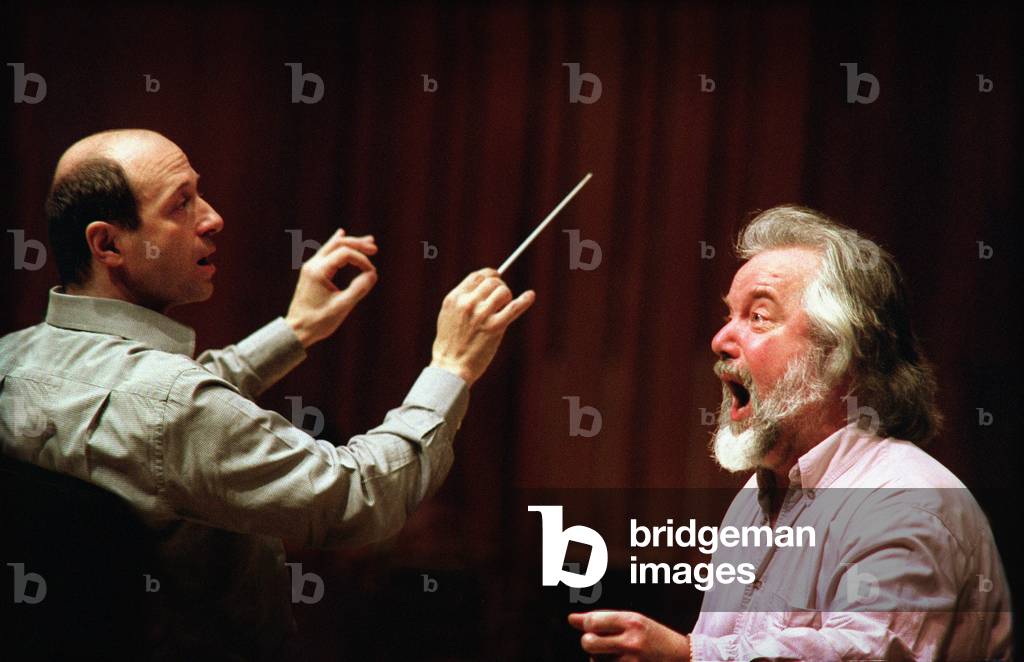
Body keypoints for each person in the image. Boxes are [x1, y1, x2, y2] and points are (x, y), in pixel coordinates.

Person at [0, 129, 535, 658]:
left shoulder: (12, 360)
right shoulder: (174, 405)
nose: (212, 219)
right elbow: (356, 498)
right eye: (181, 205)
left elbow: (142, 420)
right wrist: (451, 366)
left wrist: (295, 329)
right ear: (108, 244)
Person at [569, 206, 1012, 660]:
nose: (720, 339)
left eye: (758, 316)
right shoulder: (755, 498)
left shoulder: (906, 499)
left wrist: (688, 657)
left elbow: (866, 651)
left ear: (840, 350)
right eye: (730, 315)